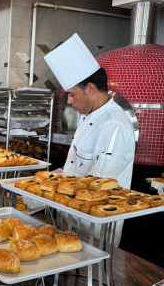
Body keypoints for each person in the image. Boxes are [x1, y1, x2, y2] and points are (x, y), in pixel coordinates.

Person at [44, 33, 135, 188]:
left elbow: (98, 186)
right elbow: (73, 168)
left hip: (94, 203)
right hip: (72, 199)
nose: (69, 101)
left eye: (71, 95)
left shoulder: (113, 125)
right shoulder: (88, 115)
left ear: (90, 88)